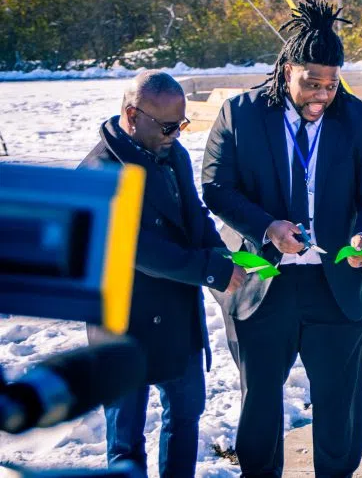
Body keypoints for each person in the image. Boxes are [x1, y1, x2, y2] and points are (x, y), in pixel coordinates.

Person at [202, 0, 362, 478]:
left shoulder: (359, 118)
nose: (322, 95)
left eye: (331, 84)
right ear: (288, 71)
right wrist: (268, 227)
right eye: (312, 83)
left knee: (339, 406)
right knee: (261, 403)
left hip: (338, 286)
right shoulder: (239, 114)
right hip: (264, 286)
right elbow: (216, 189)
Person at [82, 71, 247, 478]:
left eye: (182, 123)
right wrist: (210, 271)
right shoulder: (99, 170)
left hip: (176, 316)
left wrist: (220, 255)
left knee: (185, 417)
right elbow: (141, 251)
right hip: (123, 323)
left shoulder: (174, 155)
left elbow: (194, 216)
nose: (178, 133)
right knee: (126, 438)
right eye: (169, 125)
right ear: (131, 114)